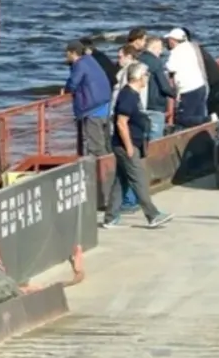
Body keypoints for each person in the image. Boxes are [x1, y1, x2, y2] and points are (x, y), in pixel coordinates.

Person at [105, 63, 169, 228]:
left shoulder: (134, 95)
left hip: (132, 143)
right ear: (139, 77)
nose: (148, 78)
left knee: (121, 180)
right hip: (126, 145)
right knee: (138, 179)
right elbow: (121, 123)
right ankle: (152, 215)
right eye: (146, 75)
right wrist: (129, 147)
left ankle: (110, 217)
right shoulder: (128, 96)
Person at [64, 40, 113, 159]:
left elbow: (73, 83)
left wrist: (66, 90)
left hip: (92, 108)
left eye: (67, 53)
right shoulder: (90, 60)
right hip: (104, 104)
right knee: (105, 142)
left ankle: (104, 168)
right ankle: (111, 164)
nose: (65, 56)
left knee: (96, 146)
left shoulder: (79, 64)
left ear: (73, 53)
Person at [163, 27, 210, 126]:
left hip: (188, 89)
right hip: (200, 85)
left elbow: (170, 68)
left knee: (183, 118)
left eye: (168, 40)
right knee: (198, 114)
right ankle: (205, 124)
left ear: (172, 40)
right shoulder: (190, 47)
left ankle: (208, 120)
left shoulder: (175, 53)